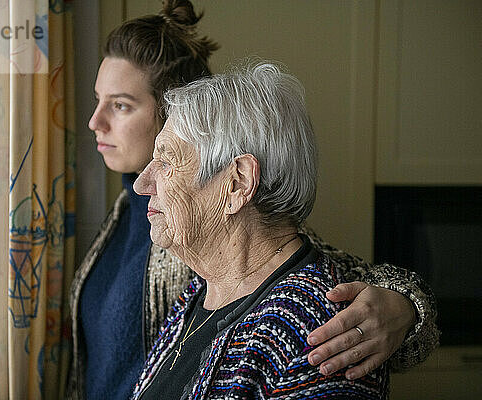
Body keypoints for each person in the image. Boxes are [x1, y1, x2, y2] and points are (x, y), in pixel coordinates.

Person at [66, 1, 439, 399]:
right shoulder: (131, 215)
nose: (94, 121)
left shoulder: (226, 234)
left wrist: (407, 306)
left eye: (121, 105)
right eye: (98, 99)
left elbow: (301, 267)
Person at [131, 61, 389, 399]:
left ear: (238, 183)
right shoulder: (202, 290)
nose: (142, 183)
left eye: (166, 161)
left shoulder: (315, 333)